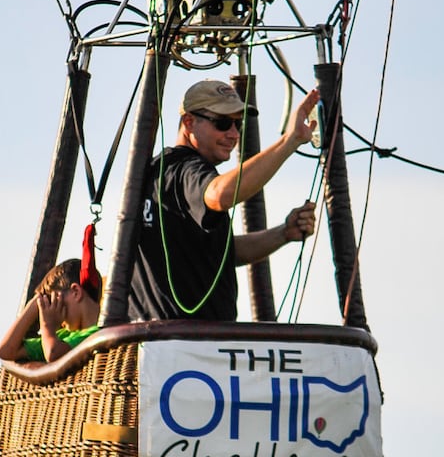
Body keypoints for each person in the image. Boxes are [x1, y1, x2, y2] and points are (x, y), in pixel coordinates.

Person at [128, 79, 319, 321]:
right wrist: (289, 141)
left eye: (238, 125)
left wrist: (283, 233)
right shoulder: (186, 168)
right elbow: (219, 195)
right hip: (187, 346)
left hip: (157, 342)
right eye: (222, 123)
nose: (233, 134)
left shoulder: (159, 171)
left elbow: (222, 251)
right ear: (189, 122)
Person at [0, 257, 102, 363]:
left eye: (56, 303)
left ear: (75, 292)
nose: (54, 312)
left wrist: (48, 326)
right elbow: (5, 351)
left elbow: (53, 353)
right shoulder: (63, 335)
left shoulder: (98, 334)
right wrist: (35, 304)